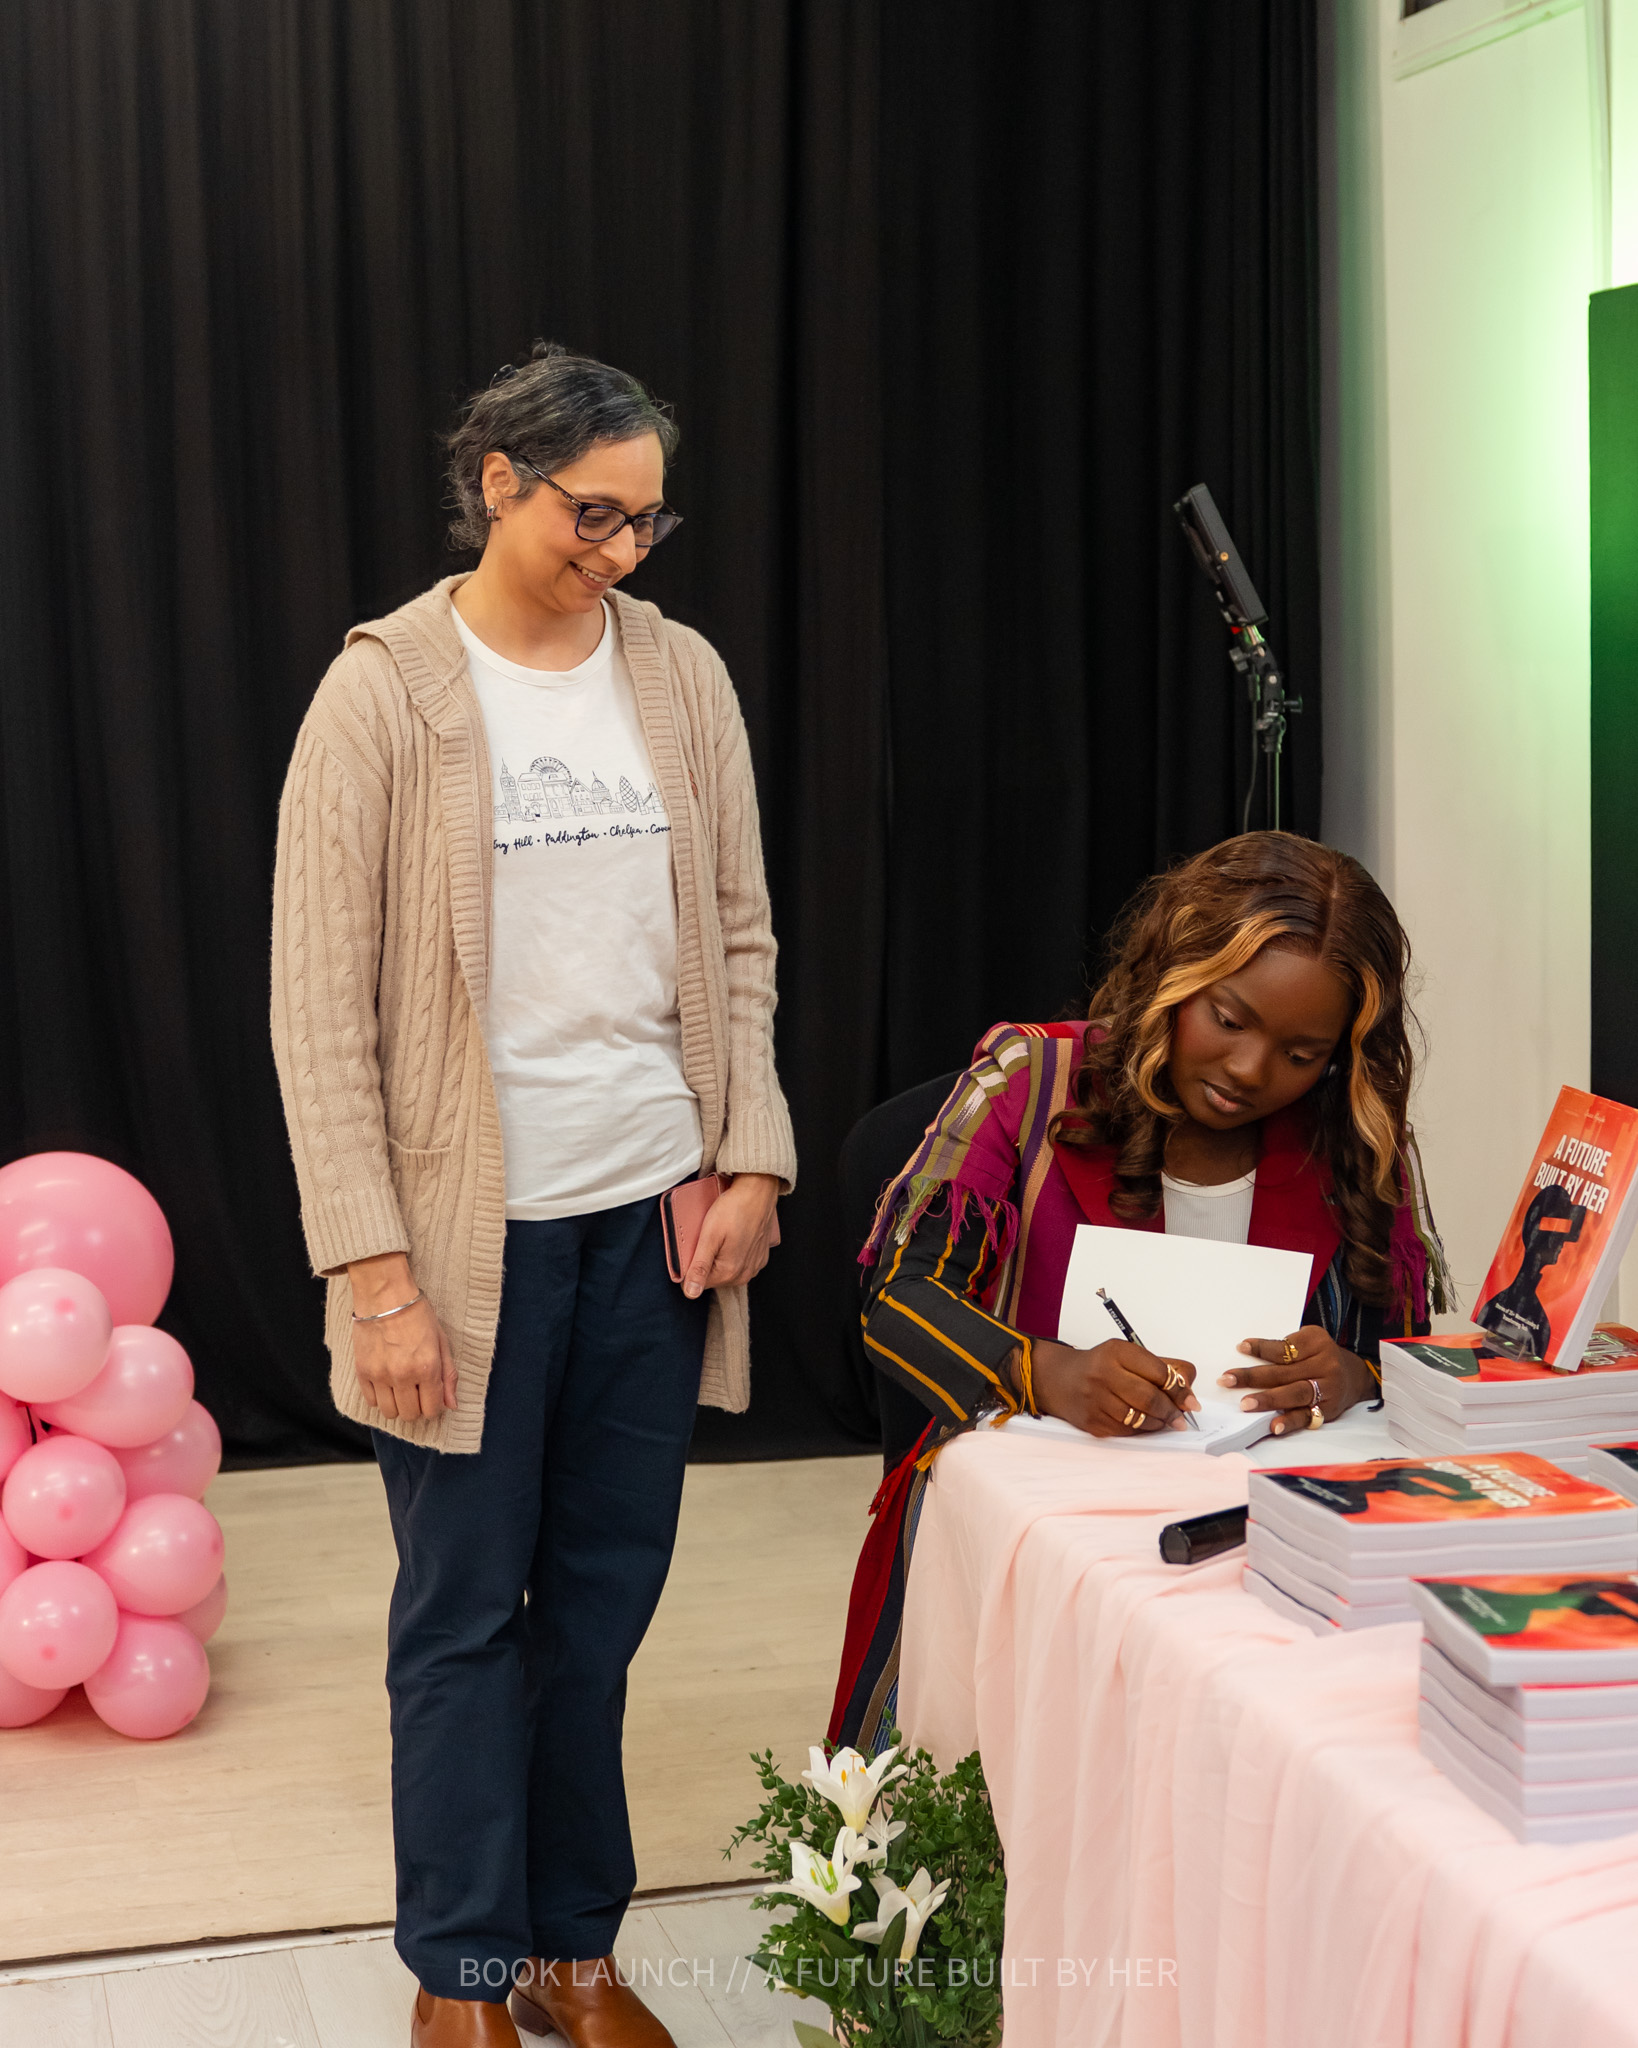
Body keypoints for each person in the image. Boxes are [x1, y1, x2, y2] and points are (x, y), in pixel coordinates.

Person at [271, 342, 795, 2048]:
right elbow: (316, 1006)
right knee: (460, 1616)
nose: (622, 551)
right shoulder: (384, 692)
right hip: (460, 1245)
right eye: (594, 513)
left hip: (647, 1217)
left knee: (596, 1604)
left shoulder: (679, 676)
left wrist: (755, 1150)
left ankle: (574, 1946)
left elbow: (737, 933)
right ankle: (463, 1967)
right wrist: (375, 1271)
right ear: (496, 480)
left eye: (647, 521)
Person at [829, 833, 1448, 1753]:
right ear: (1176, 969)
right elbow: (898, 1296)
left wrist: (1354, 1376)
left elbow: (1410, 1365)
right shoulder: (1029, 1083)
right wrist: (1043, 1371)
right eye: (1229, 1019)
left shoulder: (1350, 1136)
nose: (1250, 1070)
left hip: (1252, 1541)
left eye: (1300, 1052)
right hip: (1036, 1525)